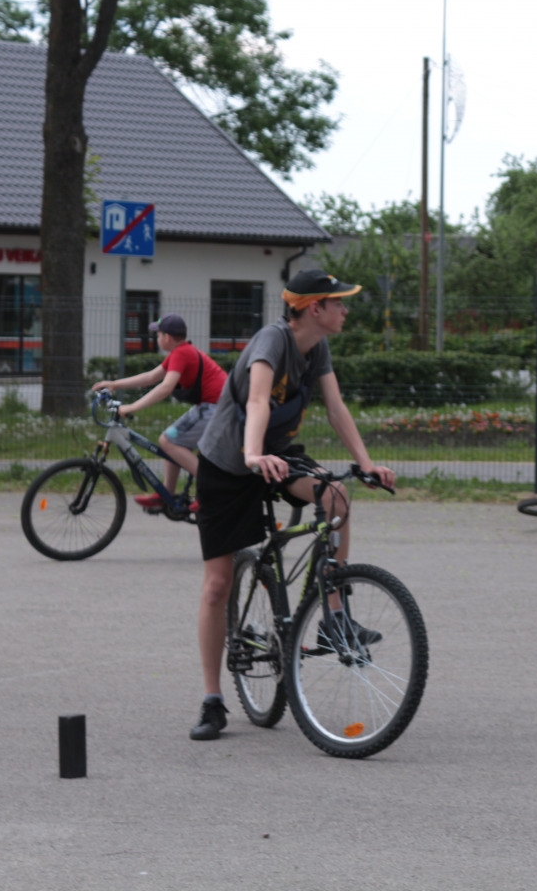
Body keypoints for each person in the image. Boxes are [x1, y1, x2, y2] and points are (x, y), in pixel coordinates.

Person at [187, 269, 396, 741]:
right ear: (313, 308)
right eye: (339, 302)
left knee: (336, 496)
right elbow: (258, 400)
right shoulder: (272, 340)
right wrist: (251, 454)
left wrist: (366, 464)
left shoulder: (316, 347)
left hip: (276, 458)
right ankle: (212, 699)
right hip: (229, 464)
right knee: (218, 585)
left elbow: (336, 407)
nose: (345, 310)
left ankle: (334, 618)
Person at [90, 314, 227, 512]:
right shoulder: (180, 352)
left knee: (168, 441)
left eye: (158, 334)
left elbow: (165, 388)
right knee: (172, 440)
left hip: (216, 408)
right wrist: (114, 384)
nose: (156, 338)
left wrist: (131, 407)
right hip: (213, 406)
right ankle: (166, 495)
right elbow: (150, 377)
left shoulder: (182, 354)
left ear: (167, 338)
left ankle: (212, 490)